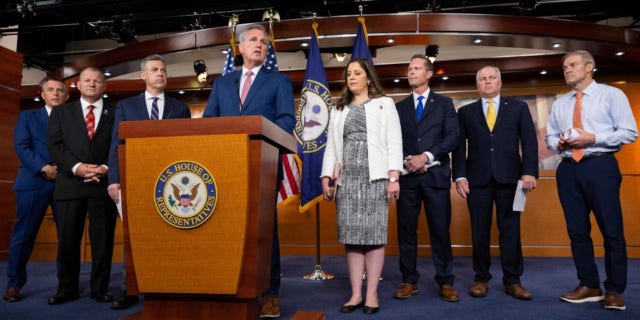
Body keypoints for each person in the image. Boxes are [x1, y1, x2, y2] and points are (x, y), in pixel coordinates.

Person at [203, 24, 295, 318]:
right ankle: (231, 288)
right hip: (225, 169)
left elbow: (286, 120)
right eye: (253, 40)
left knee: (266, 234)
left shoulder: (278, 81)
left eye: (264, 42)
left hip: (263, 167)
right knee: (226, 231)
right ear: (240, 48)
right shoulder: (222, 83)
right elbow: (208, 122)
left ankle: (270, 294)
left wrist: (256, 133)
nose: (259, 45)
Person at [545, 50, 637, 311]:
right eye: (564, 66)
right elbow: (549, 137)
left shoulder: (612, 95)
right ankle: (589, 285)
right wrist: (559, 143)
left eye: (572, 65)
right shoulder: (561, 103)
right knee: (577, 231)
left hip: (600, 166)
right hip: (568, 168)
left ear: (589, 67)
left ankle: (615, 290)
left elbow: (629, 132)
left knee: (611, 230)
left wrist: (593, 138)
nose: (567, 70)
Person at [107, 54, 191, 310]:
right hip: (135, 180)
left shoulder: (180, 108)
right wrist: (114, 180)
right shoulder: (126, 107)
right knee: (135, 238)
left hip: (171, 183)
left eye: (163, 70)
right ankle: (129, 289)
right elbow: (116, 144)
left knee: (170, 236)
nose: (161, 73)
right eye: (155, 69)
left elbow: (187, 147)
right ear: (143, 75)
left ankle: (169, 287)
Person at [321, 58, 403, 314]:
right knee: (353, 238)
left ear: (369, 78)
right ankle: (355, 293)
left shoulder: (384, 104)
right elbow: (332, 146)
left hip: (375, 178)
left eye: (357, 73)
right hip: (347, 181)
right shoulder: (338, 109)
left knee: (374, 236)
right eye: (348, 74)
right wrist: (326, 176)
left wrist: (393, 178)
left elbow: (394, 141)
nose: (352, 77)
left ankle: (371, 294)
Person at [452, 65, 538, 300]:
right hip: (477, 181)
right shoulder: (466, 112)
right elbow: (459, 149)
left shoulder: (519, 108)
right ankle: (481, 278)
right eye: (482, 79)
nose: (487, 82)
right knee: (479, 232)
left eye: (491, 78)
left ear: (500, 83)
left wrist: (529, 172)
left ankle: (513, 280)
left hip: (511, 180)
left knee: (510, 231)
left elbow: (529, 142)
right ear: (477, 84)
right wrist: (459, 176)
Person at [47, 67, 118, 305]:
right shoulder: (61, 112)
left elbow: (119, 145)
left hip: (103, 184)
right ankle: (66, 288)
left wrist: (105, 168)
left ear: (104, 87)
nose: (92, 84)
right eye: (87, 80)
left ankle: (100, 289)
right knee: (67, 241)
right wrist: (78, 167)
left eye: (97, 81)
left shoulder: (116, 112)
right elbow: (55, 146)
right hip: (70, 184)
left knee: (103, 242)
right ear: (78, 85)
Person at [393, 54, 460, 302]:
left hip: (436, 177)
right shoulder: (397, 107)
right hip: (407, 178)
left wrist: (427, 157)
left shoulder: (444, 104)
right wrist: (407, 161)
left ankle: (445, 281)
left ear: (429, 73)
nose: (410, 72)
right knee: (406, 232)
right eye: (409, 68)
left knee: (440, 231)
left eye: (416, 68)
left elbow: (452, 137)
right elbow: (392, 140)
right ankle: (409, 280)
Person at [3, 77, 68, 303]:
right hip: (33, 182)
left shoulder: (73, 121)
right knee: (24, 236)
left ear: (67, 96)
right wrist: (43, 168)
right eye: (51, 90)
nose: (56, 94)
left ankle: (65, 285)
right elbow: (22, 146)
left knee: (67, 238)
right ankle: (14, 284)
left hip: (65, 183)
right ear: (42, 93)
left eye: (61, 90)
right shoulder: (27, 117)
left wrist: (62, 169)